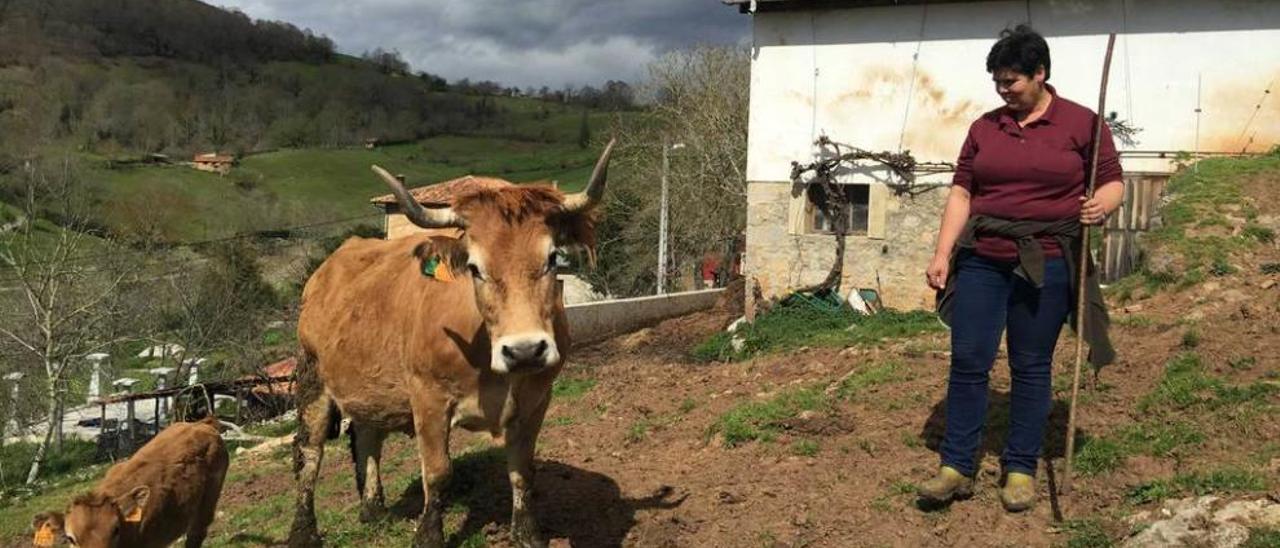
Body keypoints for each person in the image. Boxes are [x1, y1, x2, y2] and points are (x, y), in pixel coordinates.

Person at [919, 25, 1124, 512]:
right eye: (997, 82)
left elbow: (1114, 180)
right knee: (969, 360)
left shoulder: (1081, 124)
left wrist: (1102, 205)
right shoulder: (985, 128)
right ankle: (956, 465)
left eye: (1012, 81)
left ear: (1040, 73)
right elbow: (962, 192)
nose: (1003, 91)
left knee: (1030, 366)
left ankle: (1020, 468)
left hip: (1048, 261)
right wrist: (943, 252)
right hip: (983, 260)